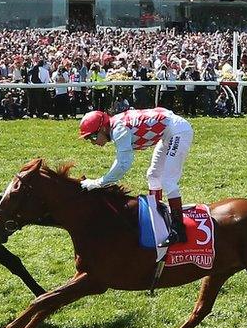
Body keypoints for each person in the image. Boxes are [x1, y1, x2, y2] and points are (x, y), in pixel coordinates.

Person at [78, 106, 194, 249]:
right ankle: (157, 216)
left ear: (102, 128)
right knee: (153, 175)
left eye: (93, 137)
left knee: (168, 180)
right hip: (168, 132)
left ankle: (178, 229)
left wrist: (98, 183)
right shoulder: (116, 126)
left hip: (178, 131)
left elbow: (123, 165)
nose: (93, 142)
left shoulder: (119, 130)